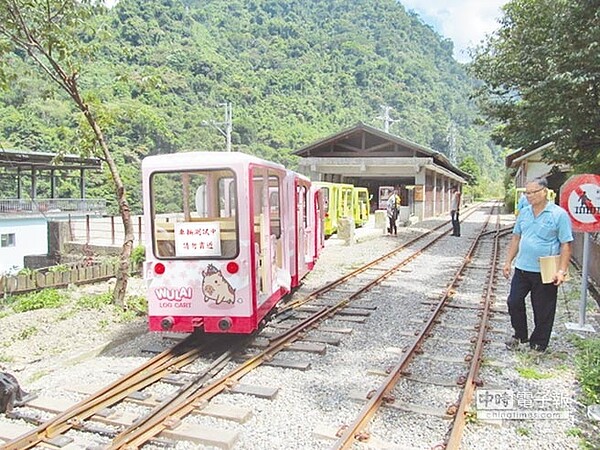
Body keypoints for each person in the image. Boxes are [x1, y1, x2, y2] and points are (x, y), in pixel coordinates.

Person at [502, 177, 573, 352]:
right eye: (527, 193)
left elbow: (566, 244)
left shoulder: (558, 214)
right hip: (522, 268)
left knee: (543, 309)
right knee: (514, 301)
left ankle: (539, 344)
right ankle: (520, 335)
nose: (530, 196)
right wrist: (508, 261)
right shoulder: (524, 213)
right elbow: (516, 237)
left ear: (544, 192)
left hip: (546, 269)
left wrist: (561, 270)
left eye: (534, 192)